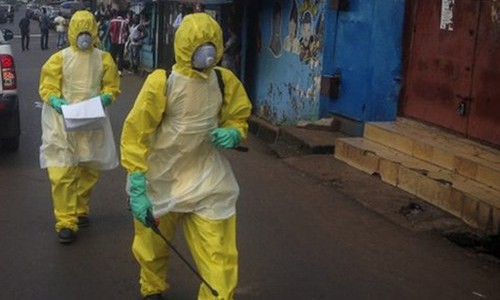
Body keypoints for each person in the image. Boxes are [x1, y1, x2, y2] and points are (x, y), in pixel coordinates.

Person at [121, 12, 252, 300]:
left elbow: (238, 115)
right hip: (161, 178)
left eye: (210, 44)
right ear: (183, 46)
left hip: (206, 178)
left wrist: (233, 132)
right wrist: (138, 181)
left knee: (219, 252)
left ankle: (218, 295)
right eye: (198, 45)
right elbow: (137, 132)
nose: (206, 52)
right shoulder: (162, 82)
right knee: (152, 245)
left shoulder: (223, 81)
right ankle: (152, 285)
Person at [38, 10, 121, 244]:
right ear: (72, 31)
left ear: (94, 31)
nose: (84, 36)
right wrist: (54, 100)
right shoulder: (59, 59)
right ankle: (66, 221)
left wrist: (107, 97)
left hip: (91, 120)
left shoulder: (103, 58)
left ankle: (80, 209)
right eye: (80, 31)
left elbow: (111, 85)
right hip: (61, 120)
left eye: (88, 31)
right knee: (62, 170)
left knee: (89, 167)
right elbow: (48, 85)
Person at [107, 10, 129, 75]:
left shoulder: (112, 21)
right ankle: (120, 71)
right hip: (121, 42)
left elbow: (109, 30)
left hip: (113, 41)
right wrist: (125, 39)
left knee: (112, 55)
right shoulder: (125, 22)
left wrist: (107, 38)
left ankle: (113, 69)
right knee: (121, 56)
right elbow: (127, 32)